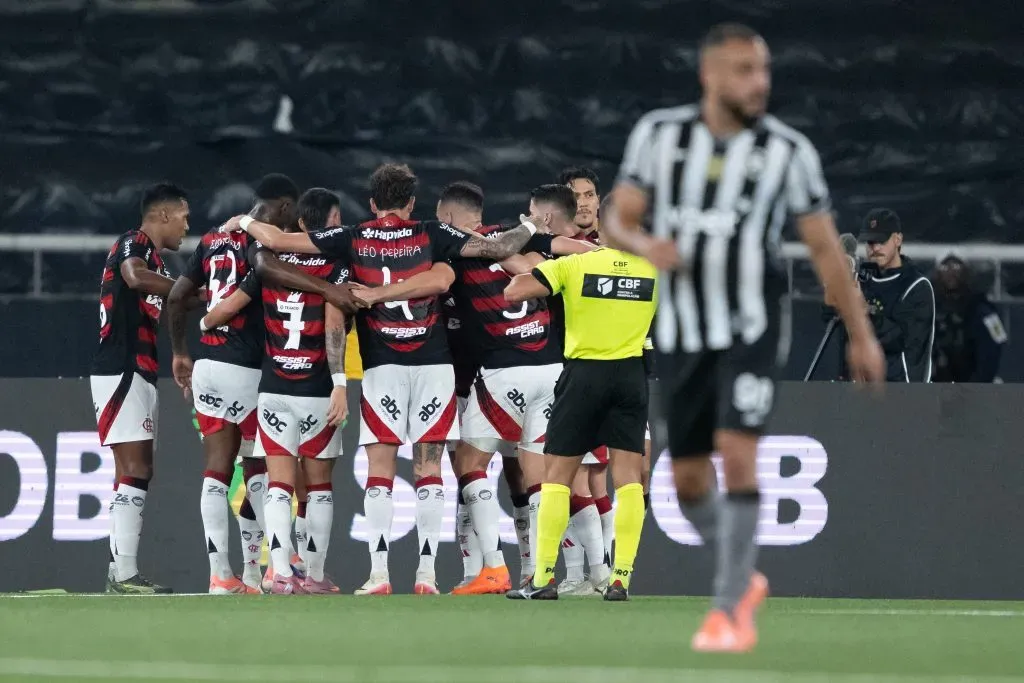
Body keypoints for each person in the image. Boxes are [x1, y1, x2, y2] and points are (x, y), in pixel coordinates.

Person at [603, 23, 885, 651]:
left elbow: (822, 249)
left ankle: (727, 610)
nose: (758, 83)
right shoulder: (659, 135)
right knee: (687, 481)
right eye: (743, 70)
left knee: (738, 453)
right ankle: (742, 578)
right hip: (680, 331)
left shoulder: (788, 151)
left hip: (752, 326)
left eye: (762, 70)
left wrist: (861, 333)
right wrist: (649, 244)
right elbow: (615, 218)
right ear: (709, 76)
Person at [224, 163, 542, 595]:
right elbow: (500, 246)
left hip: (383, 367)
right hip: (434, 366)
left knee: (380, 472)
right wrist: (531, 223)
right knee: (431, 472)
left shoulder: (351, 236)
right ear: (411, 202)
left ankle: (379, 575)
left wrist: (242, 220)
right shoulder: (433, 232)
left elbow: (276, 240)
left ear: (372, 203)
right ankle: (427, 576)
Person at [167, 174, 363, 594]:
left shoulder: (212, 239)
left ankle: (228, 574)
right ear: (284, 211)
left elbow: (178, 294)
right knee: (267, 471)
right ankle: (283, 568)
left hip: (210, 362)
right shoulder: (269, 249)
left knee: (218, 472)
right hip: (259, 371)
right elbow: (265, 267)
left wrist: (188, 341)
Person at [442, 183, 593, 595]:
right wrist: (599, 253)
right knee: (539, 476)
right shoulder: (524, 240)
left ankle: (493, 567)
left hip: (504, 369)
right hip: (552, 367)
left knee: (470, 463)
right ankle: (559, 572)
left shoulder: (459, 248)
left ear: (451, 220)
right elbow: (563, 244)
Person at [503, 226, 657, 603]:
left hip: (584, 375)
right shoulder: (653, 270)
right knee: (628, 478)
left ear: (603, 229)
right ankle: (620, 578)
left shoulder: (576, 264)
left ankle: (542, 578)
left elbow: (514, 292)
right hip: (631, 375)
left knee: (557, 476)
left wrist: (549, 275)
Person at [91, 182, 192, 594]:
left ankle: (121, 571)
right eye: (184, 216)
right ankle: (125, 574)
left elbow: (170, 301)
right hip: (122, 367)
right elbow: (133, 278)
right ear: (163, 215)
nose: (188, 226)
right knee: (135, 469)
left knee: (135, 470)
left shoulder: (159, 265)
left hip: (141, 369)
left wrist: (180, 351)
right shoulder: (133, 244)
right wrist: (189, 291)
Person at [851, 208, 936, 382]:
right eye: (870, 242)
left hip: (902, 392)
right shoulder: (863, 280)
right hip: (862, 391)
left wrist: (863, 309)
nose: (875, 248)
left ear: (898, 239)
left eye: (880, 241)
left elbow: (900, 340)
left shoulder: (916, 286)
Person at [931, 254, 1006, 382]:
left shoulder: (982, 309)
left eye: (956, 266)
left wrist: (978, 384)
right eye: (945, 267)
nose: (950, 272)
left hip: (973, 385)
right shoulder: (929, 307)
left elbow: (995, 344)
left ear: (965, 270)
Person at [559, 166, 602, 244]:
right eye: (574, 197)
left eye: (589, 195)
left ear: (598, 201)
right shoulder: (552, 247)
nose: (583, 203)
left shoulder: (622, 240)